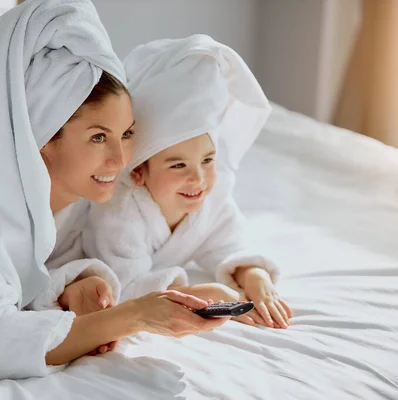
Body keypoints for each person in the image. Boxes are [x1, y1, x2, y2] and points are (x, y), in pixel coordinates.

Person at [0, 1, 227, 381]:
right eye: (99, 137)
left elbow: (32, 267)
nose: (120, 159)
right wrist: (133, 317)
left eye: (127, 134)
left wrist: (76, 285)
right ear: (40, 138)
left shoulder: (73, 199)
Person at [82, 35, 293, 329]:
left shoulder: (212, 197)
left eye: (207, 160)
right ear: (138, 172)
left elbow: (228, 245)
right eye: (178, 164)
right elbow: (128, 287)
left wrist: (254, 276)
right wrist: (201, 295)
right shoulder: (119, 211)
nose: (198, 178)